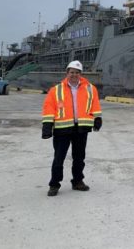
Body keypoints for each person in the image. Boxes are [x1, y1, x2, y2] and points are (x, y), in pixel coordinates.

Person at [41, 60, 102, 197]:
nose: (74, 75)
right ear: (67, 73)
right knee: (59, 158)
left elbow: (95, 104)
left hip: (81, 128)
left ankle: (78, 181)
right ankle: (54, 184)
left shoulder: (90, 88)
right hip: (62, 129)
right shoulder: (56, 90)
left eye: (76, 72)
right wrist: (47, 125)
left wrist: (97, 118)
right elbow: (49, 107)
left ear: (80, 74)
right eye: (71, 72)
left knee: (79, 157)